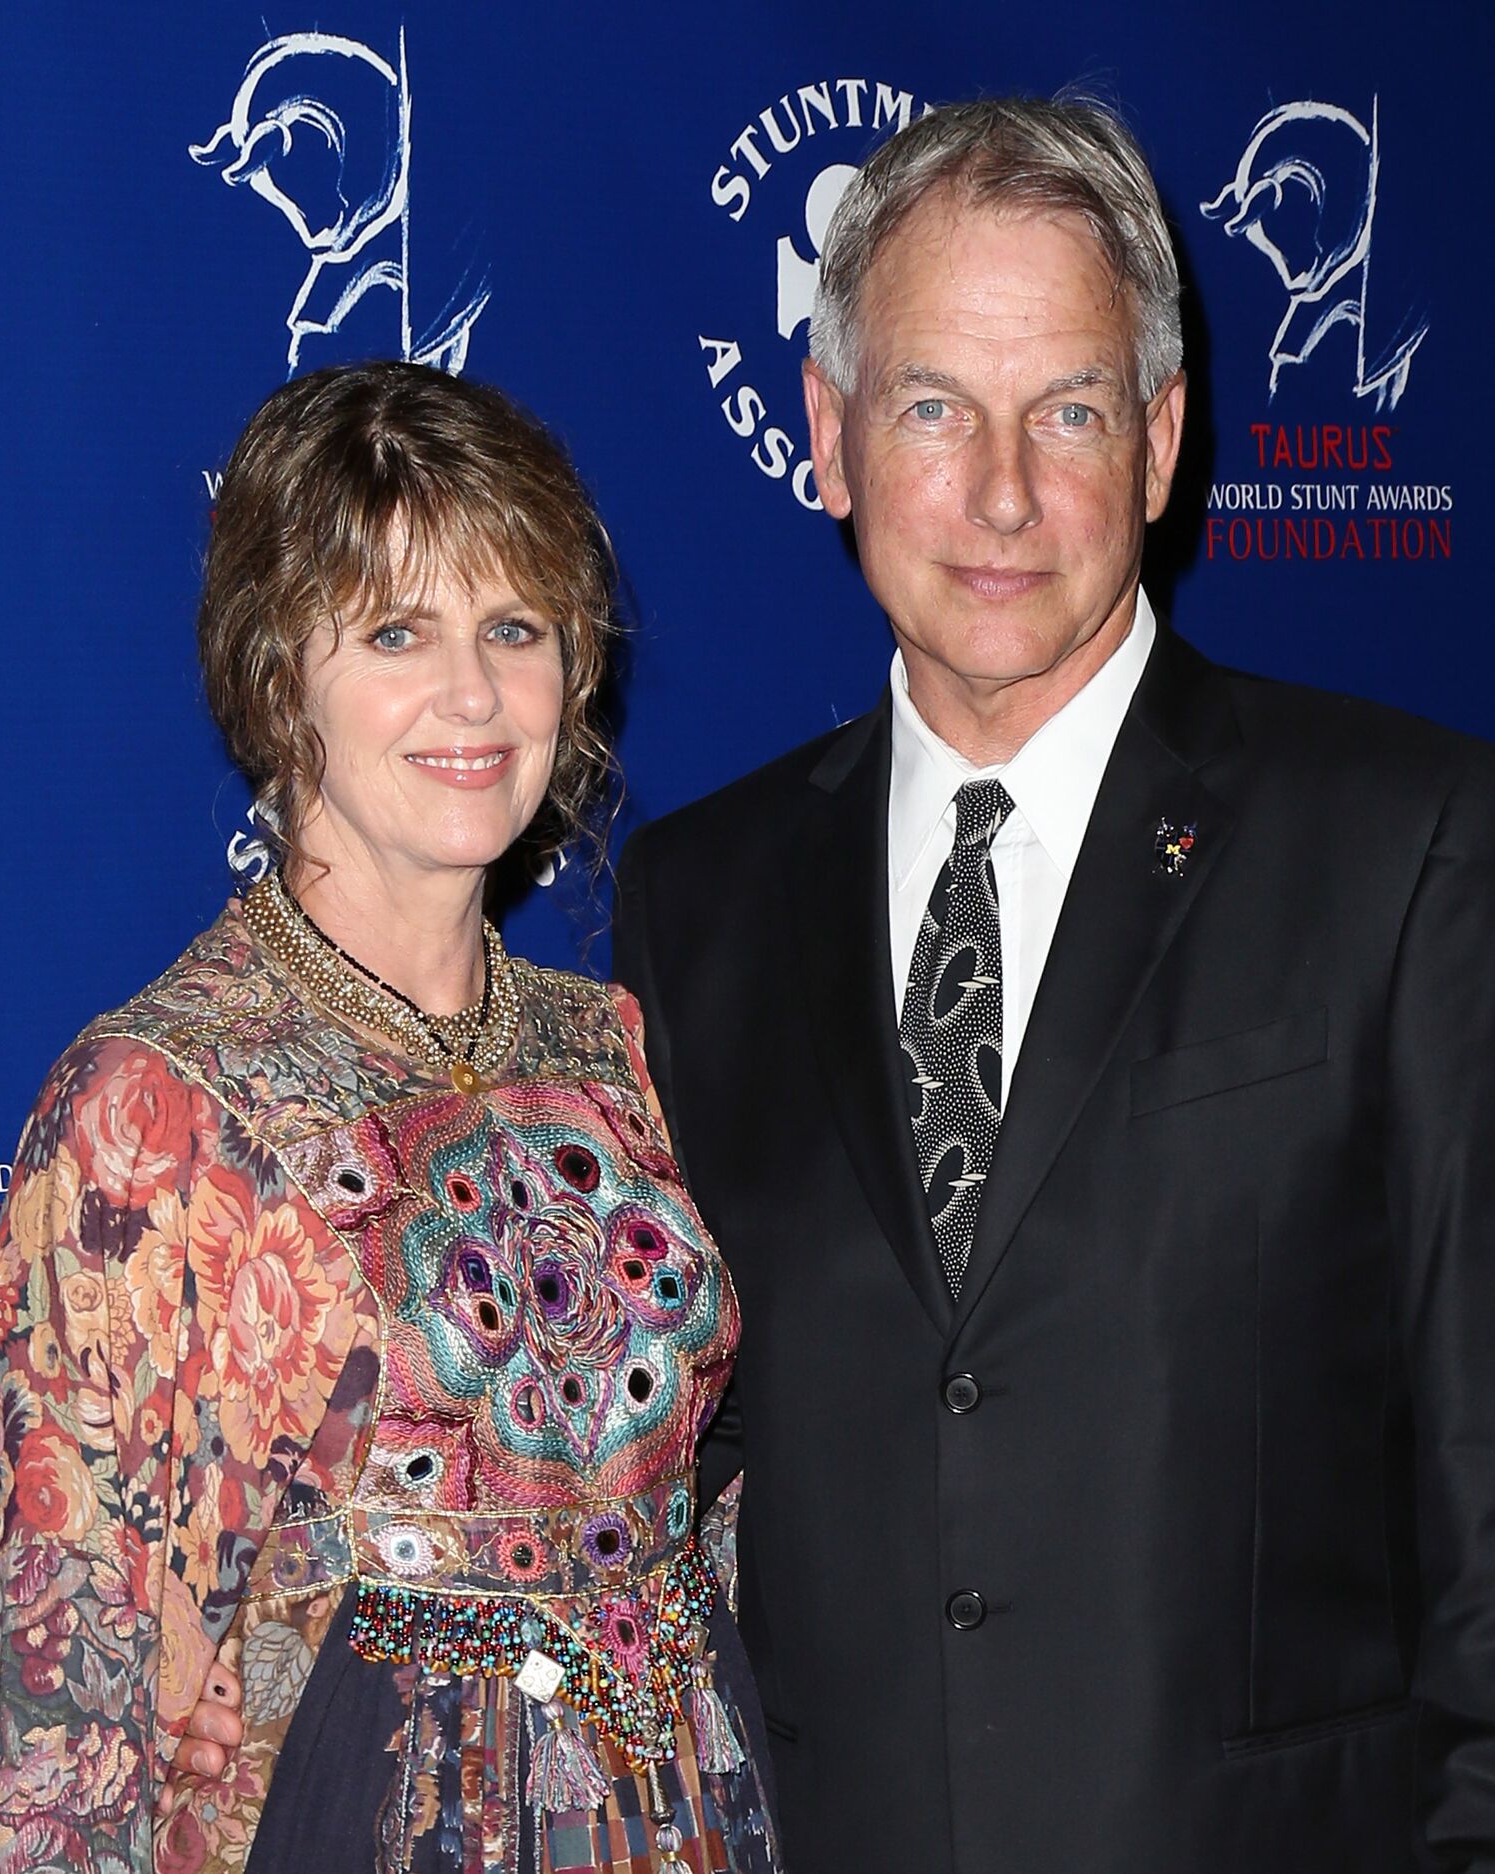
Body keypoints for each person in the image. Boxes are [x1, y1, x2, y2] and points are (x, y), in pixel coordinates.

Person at [608, 98, 1495, 1872]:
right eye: (935, 406)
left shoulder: (1407, 848)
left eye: (1070, 410)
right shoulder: (694, 903)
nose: (1004, 491)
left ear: (1162, 444)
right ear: (830, 436)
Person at [0, 361, 780, 1874]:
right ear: (281, 673)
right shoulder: (156, 1103)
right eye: (400, 631)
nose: (474, 696)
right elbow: (51, 1718)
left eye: (514, 629)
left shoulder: (614, 1056)